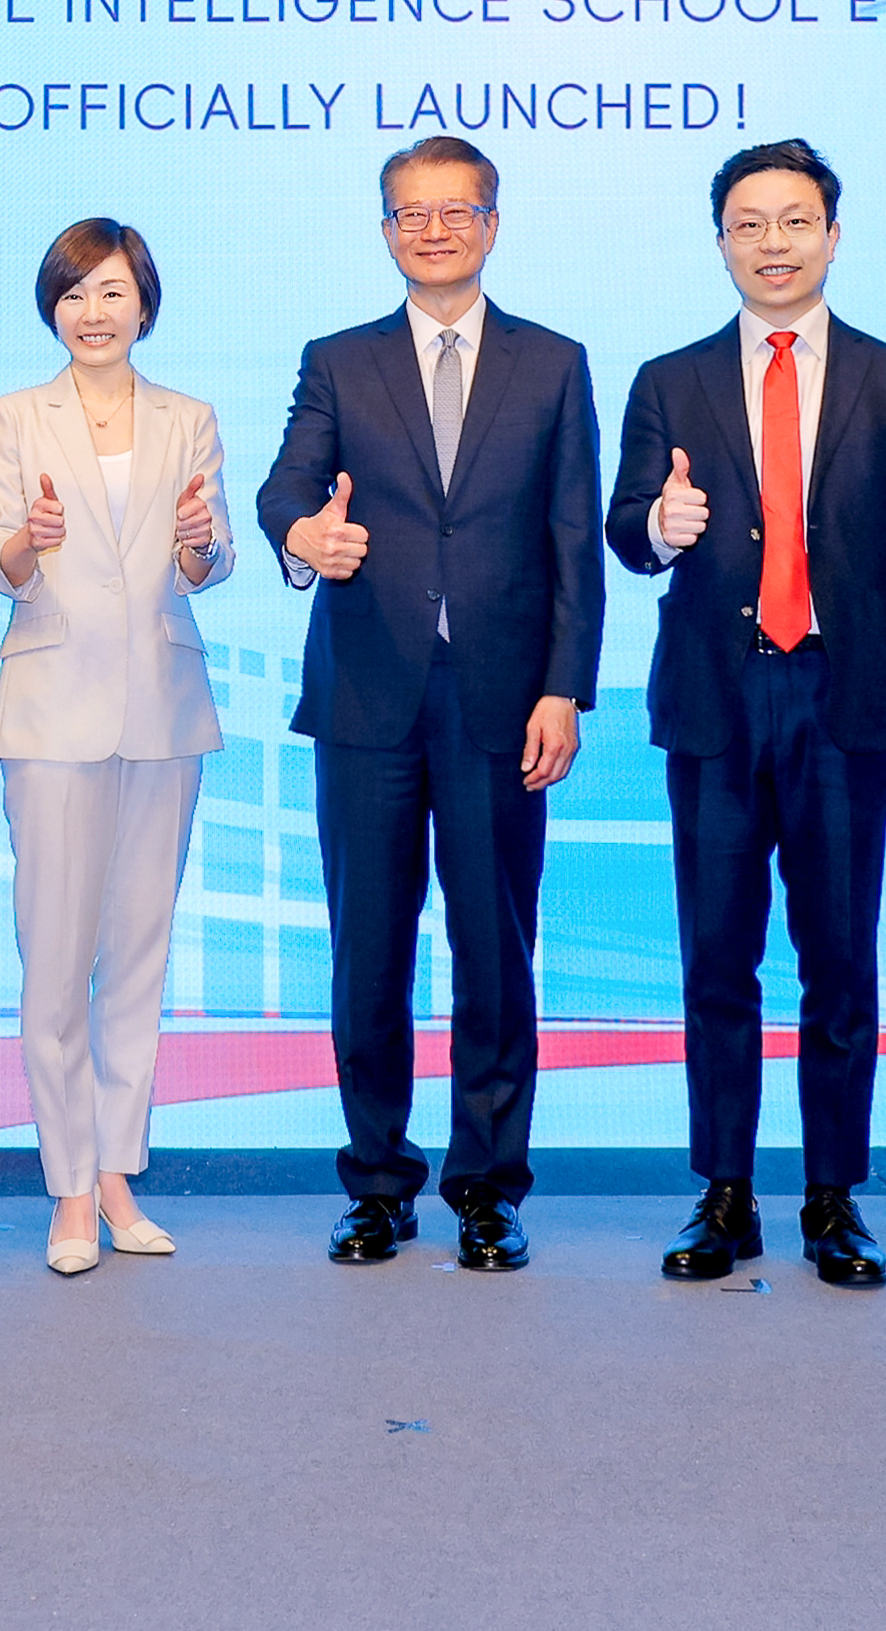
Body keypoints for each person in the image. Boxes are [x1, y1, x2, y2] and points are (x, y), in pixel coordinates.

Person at [605, 140, 886, 1289]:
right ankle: (723, 1193)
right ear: (721, 242)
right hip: (716, 698)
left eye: (795, 221)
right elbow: (623, 530)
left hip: (848, 700)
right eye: (749, 224)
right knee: (717, 959)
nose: (773, 243)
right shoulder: (670, 377)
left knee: (839, 960)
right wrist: (660, 527)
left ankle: (833, 1197)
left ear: (834, 236)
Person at [255, 136, 604, 1272]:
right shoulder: (341, 361)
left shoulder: (552, 363)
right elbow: (286, 487)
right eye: (413, 213)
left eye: (458, 211)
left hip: (505, 701)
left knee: (495, 951)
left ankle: (488, 1187)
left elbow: (570, 544)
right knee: (368, 952)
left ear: (493, 224)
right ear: (387, 228)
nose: (436, 230)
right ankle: (378, 1183)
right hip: (367, 696)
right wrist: (304, 536)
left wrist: (566, 687)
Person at [0, 222, 232, 1276]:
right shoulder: (12, 415)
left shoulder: (188, 417)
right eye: (74, 294)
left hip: (163, 709)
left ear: (144, 303)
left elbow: (207, 560)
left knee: (138, 955)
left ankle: (119, 1171)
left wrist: (200, 545)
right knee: (55, 963)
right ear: (53, 307)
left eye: (112, 292)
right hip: (51, 711)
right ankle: (69, 1188)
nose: (94, 312)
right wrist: (26, 542)